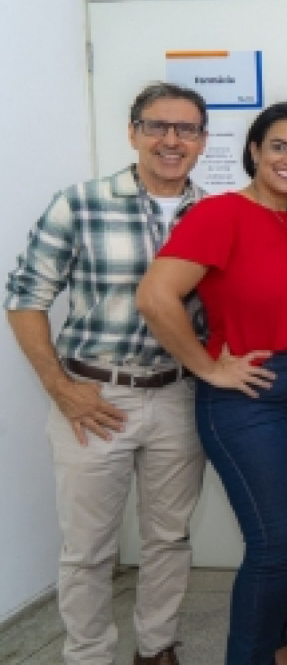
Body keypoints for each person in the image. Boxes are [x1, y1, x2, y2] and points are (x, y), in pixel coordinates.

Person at [4, 83, 209, 665]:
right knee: (88, 549)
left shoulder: (215, 212)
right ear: (133, 132)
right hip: (93, 395)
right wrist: (60, 388)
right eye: (157, 126)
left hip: (177, 397)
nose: (171, 140)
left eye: (186, 129)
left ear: (201, 140)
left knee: (168, 538)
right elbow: (24, 298)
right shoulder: (80, 203)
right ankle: (89, 655)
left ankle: (156, 647)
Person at [136, 102, 287, 665]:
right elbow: (156, 296)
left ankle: (273, 644)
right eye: (279, 146)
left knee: (283, 535)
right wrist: (208, 367)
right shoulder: (221, 214)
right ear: (253, 150)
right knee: (273, 542)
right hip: (250, 398)